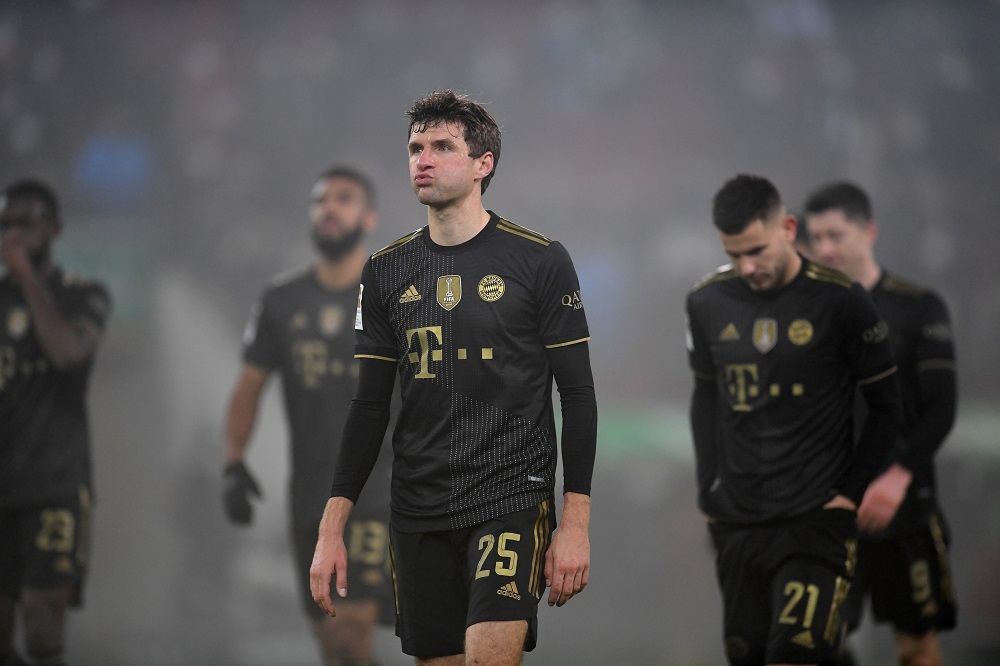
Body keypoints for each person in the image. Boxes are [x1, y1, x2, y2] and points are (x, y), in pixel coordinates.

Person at [309, 90, 598, 666]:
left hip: (509, 497)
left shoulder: (539, 261)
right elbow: (368, 408)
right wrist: (330, 529)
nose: (424, 158)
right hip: (417, 508)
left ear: (482, 165)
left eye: (443, 146)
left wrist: (575, 524)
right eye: (416, 147)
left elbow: (579, 396)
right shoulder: (385, 270)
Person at [685, 173, 903, 666]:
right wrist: (709, 487)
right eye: (735, 253)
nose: (747, 266)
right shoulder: (706, 301)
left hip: (815, 520)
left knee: (795, 656)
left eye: (757, 250)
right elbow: (705, 396)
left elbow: (888, 407)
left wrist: (850, 493)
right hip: (739, 522)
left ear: (786, 227)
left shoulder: (843, 300)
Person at [223, 166, 395, 665]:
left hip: (379, 490)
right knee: (333, 648)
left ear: (369, 217)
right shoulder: (281, 300)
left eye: (344, 199)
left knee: (352, 628)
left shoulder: (395, 297)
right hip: (311, 497)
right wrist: (233, 461)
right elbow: (248, 387)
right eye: (321, 201)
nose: (329, 208)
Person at [803, 181, 958, 666]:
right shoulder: (801, 316)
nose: (826, 248)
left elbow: (941, 408)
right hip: (830, 513)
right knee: (813, 645)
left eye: (836, 234)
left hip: (904, 512)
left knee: (916, 647)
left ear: (868, 231)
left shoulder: (918, 308)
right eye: (816, 237)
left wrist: (898, 475)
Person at [0, 179, 112, 666]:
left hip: (56, 484)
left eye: (27, 223)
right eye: (7, 224)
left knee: (44, 625)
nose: (16, 234)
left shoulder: (83, 295)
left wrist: (27, 278)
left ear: (55, 229)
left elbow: (68, 353)